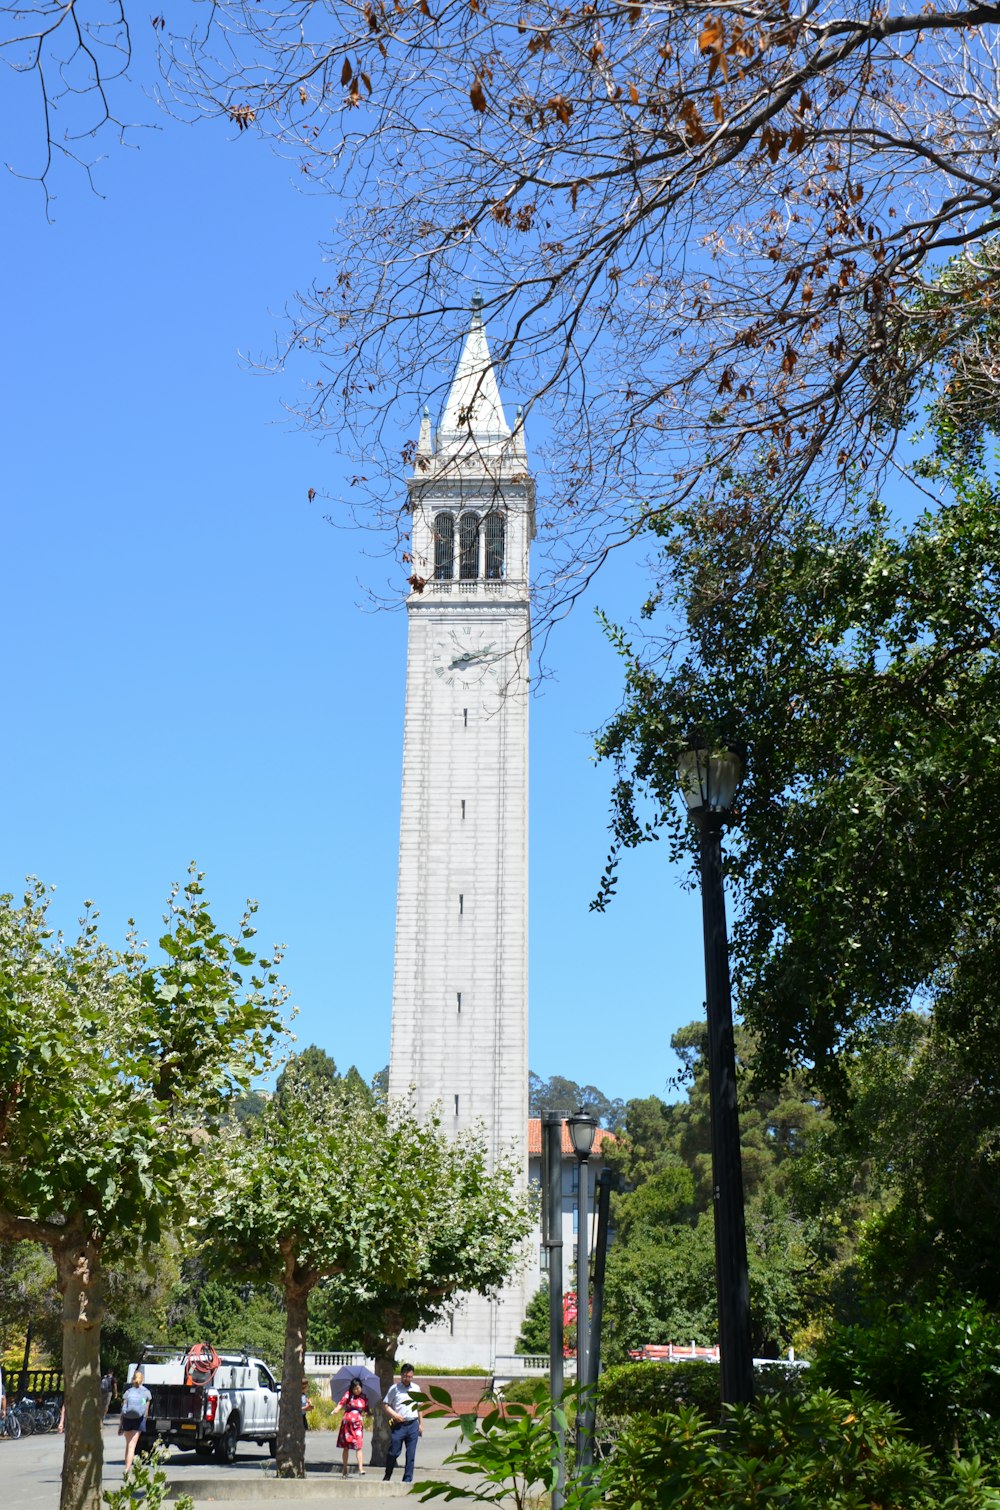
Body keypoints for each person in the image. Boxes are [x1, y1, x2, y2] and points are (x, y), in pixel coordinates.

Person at [382, 1363, 422, 1484]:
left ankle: (407, 1480)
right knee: (393, 1452)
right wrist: (395, 1415)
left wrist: (421, 1424)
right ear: (401, 1375)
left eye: (409, 1376)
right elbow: (385, 1405)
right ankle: (388, 1474)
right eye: (405, 1376)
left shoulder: (416, 1388)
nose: (407, 1379)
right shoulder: (394, 1389)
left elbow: (419, 1406)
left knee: (410, 1455)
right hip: (399, 1424)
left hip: (413, 1424)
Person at [119, 1368, 151, 1473]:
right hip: (138, 1419)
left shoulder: (128, 1392)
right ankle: (127, 1469)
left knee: (128, 1445)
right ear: (142, 1380)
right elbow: (146, 1411)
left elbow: (123, 1409)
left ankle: (126, 1467)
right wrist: (144, 1422)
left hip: (127, 1419)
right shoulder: (146, 1392)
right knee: (132, 1445)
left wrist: (120, 1425)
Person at [336, 1377, 368, 1478]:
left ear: (361, 1387)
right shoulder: (348, 1395)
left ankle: (360, 1468)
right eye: (354, 1389)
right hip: (347, 1424)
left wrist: (368, 1413)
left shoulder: (364, 1397)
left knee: (359, 1445)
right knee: (346, 1447)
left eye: (358, 1388)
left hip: (357, 1424)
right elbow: (341, 1403)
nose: (356, 1390)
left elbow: (366, 1409)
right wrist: (336, 1410)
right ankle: (345, 1468)